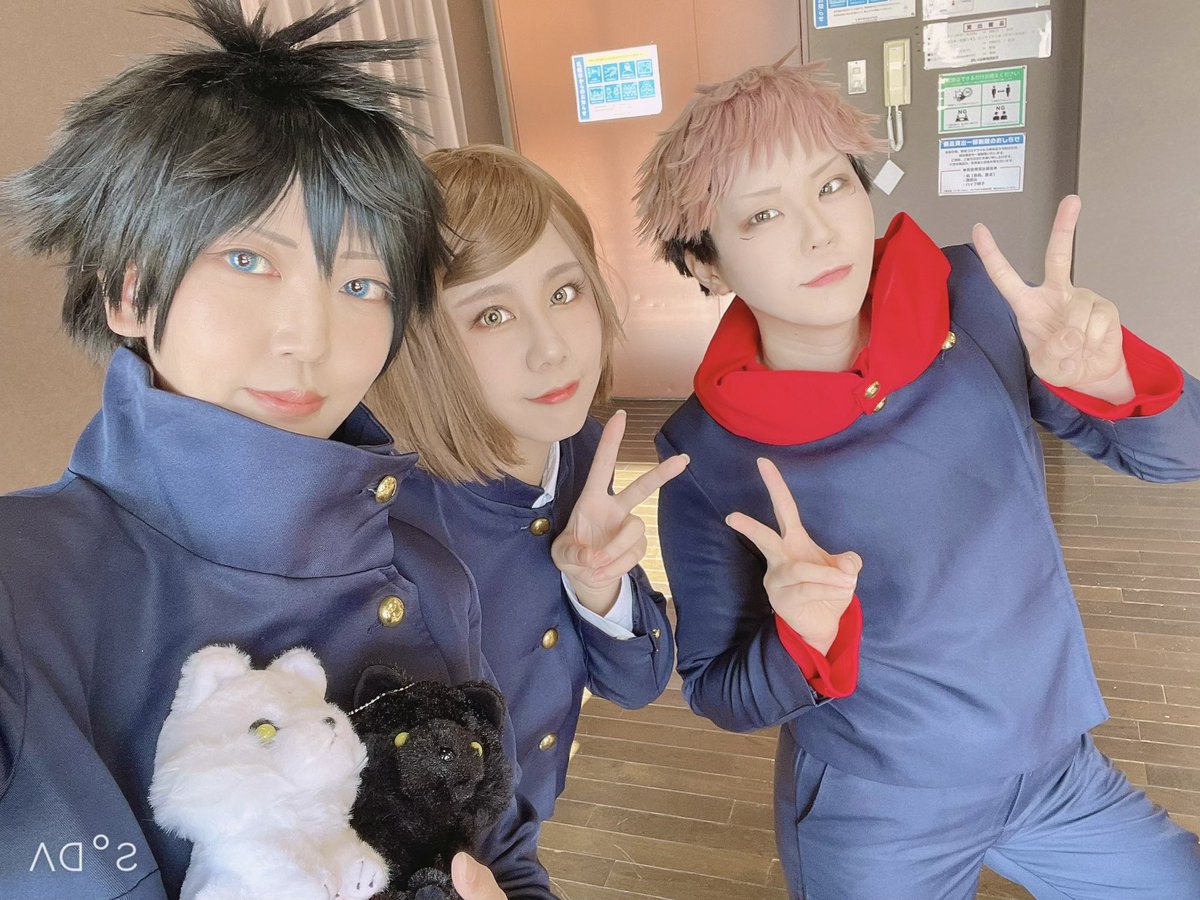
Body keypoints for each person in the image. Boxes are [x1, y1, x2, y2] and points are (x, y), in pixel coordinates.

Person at [0, 4, 550, 898]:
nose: (311, 336)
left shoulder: (433, 573)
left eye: (362, 283)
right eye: (250, 261)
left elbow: (506, 852)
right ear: (130, 292)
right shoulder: (22, 582)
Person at [635, 60, 1200, 899]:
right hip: (877, 809)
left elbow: (1181, 454)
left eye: (831, 185)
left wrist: (1113, 377)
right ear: (706, 262)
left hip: (1054, 767)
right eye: (762, 214)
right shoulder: (705, 456)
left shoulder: (973, 304)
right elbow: (719, 691)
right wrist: (801, 639)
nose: (819, 233)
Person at [370, 144, 683, 823]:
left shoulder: (582, 450)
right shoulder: (384, 531)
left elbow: (637, 684)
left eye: (564, 293)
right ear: (420, 344)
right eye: (492, 314)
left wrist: (600, 587)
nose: (553, 347)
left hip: (534, 816)